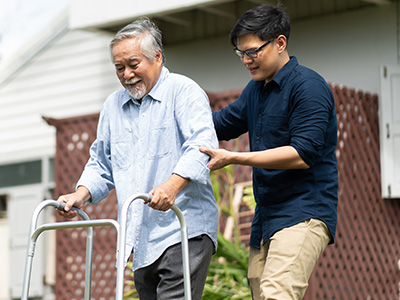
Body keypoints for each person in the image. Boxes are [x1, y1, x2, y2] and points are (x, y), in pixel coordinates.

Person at [57, 18, 219, 300]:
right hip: (140, 237)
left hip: (184, 228)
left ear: (157, 57)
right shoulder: (112, 107)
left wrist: (171, 187)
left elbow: (201, 146)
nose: (127, 74)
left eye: (133, 64)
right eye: (119, 68)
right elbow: (102, 163)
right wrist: (80, 195)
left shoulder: (183, 91)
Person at [200, 3, 338, 300]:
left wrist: (235, 158)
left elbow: (302, 154)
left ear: (280, 43)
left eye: (252, 51)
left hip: (303, 212)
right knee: (262, 294)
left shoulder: (308, 86)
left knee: (277, 295)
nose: (246, 60)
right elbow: (220, 124)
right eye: (240, 54)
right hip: (267, 217)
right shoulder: (256, 90)